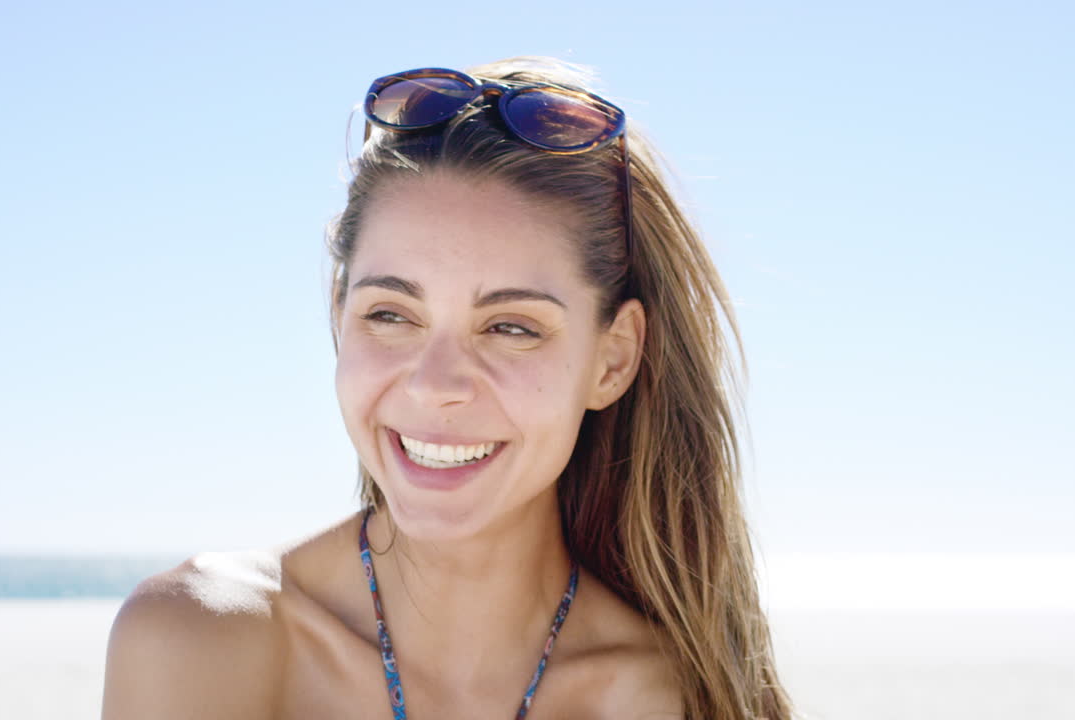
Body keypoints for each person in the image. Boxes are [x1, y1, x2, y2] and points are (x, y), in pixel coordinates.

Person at [101, 57, 793, 720]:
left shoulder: (665, 699)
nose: (435, 387)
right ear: (342, 317)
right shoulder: (197, 643)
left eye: (511, 327)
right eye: (391, 315)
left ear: (611, 361)